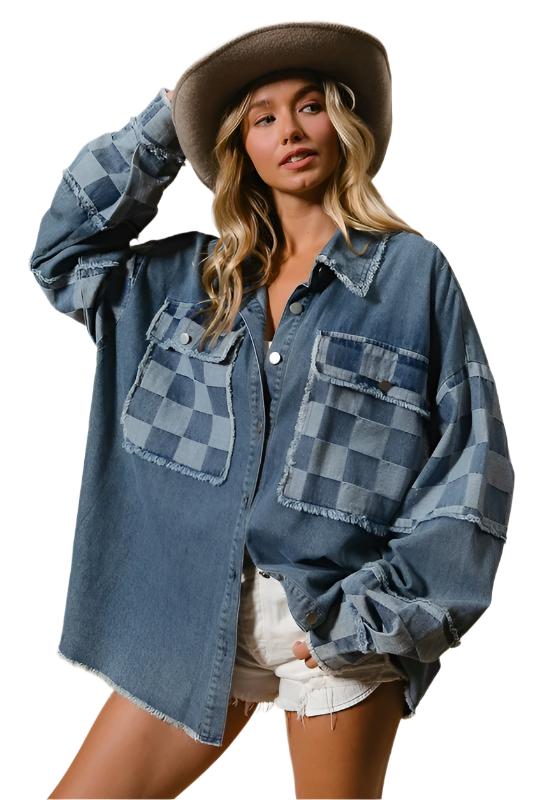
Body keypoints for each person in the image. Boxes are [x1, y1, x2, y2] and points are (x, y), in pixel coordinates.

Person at [29, 21, 514, 800]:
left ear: (342, 125)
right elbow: (64, 257)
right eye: (262, 117)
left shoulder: (410, 274)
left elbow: (469, 462)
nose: (289, 130)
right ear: (238, 148)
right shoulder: (186, 282)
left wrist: (374, 617)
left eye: (310, 106)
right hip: (194, 616)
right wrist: (166, 123)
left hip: (336, 624)